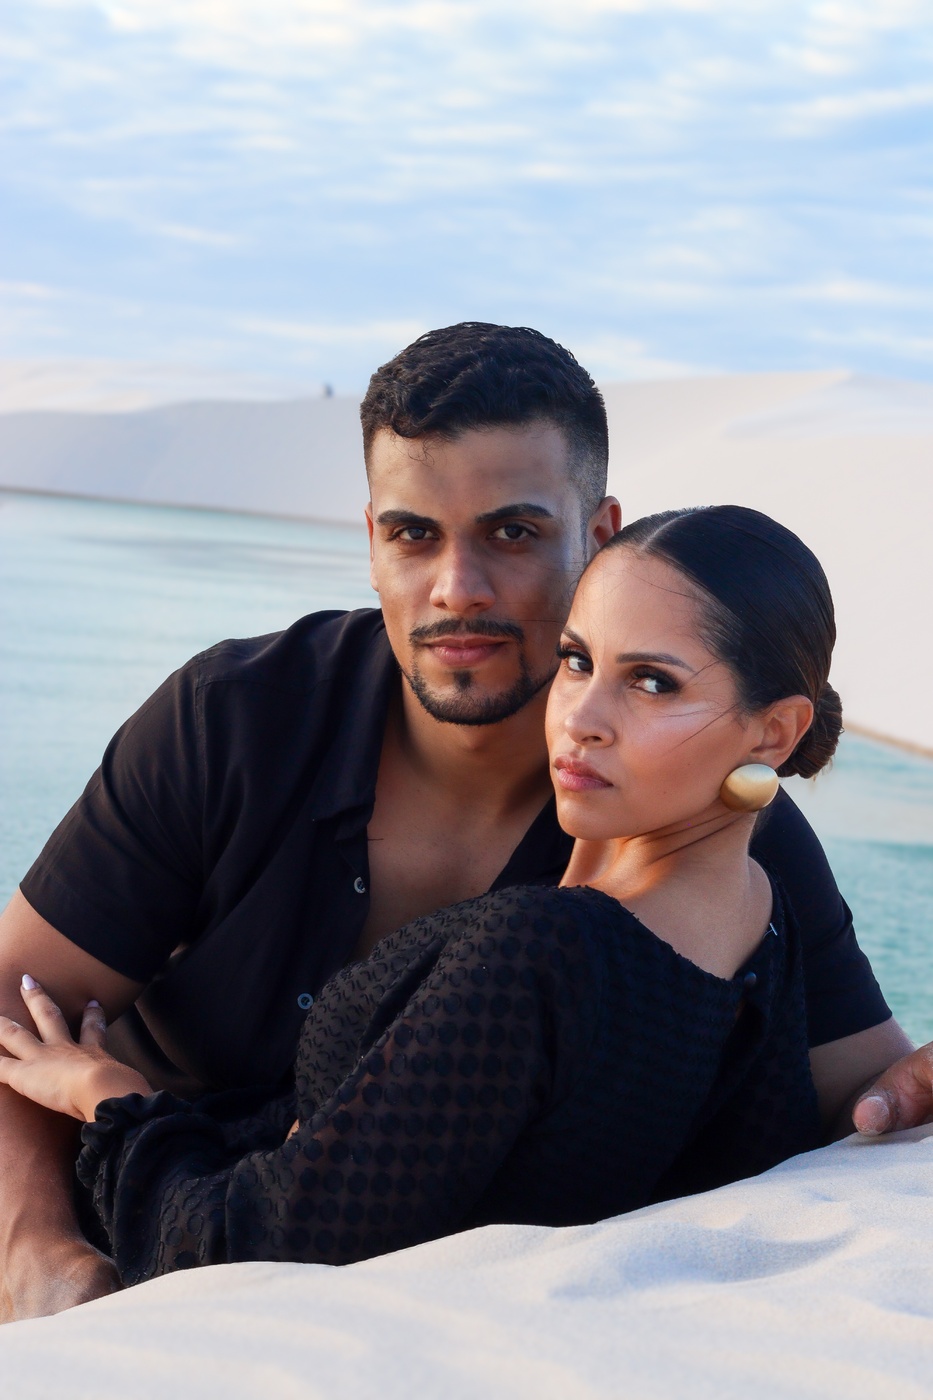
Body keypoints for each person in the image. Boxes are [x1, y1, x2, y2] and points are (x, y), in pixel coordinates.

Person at [0, 324, 925, 1318]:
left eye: (512, 533)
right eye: (413, 534)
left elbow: (866, 1094)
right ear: (370, 540)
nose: (457, 589)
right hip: (131, 1272)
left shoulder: (716, 814)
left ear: (598, 536)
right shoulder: (233, 718)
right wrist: (34, 1247)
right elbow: (17, 1005)